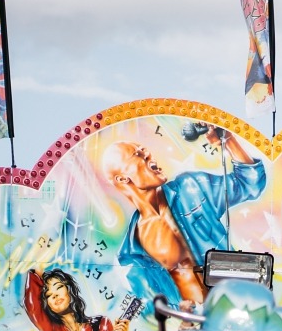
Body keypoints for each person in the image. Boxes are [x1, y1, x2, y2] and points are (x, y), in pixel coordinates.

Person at [101, 124, 266, 302]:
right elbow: (153, 305)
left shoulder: (190, 187)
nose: (148, 154)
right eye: (138, 154)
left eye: (144, 150)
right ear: (123, 178)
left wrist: (229, 140)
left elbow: (250, 185)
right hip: (195, 323)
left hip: (235, 303)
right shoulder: (132, 254)